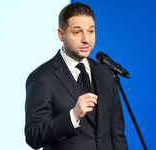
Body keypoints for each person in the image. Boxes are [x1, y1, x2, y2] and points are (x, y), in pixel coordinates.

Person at [25, 2, 128, 150]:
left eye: (91, 31)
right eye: (77, 32)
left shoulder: (106, 74)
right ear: (61, 34)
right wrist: (73, 115)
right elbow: (33, 135)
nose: (86, 39)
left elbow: (117, 135)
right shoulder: (41, 78)